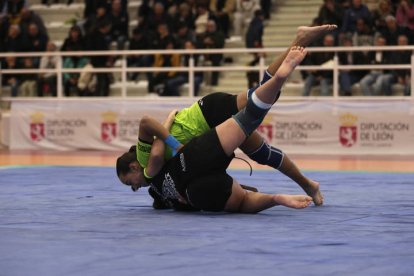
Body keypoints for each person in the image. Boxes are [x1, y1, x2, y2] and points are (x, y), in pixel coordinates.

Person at [117, 25, 337, 212]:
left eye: (130, 183)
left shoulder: (146, 162)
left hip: (206, 116)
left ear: (134, 167)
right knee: (263, 149)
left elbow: (148, 127)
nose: (135, 188)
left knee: (260, 100)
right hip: (206, 127)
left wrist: (174, 143)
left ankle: (296, 45)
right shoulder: (154, 175)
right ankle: (309, 185)